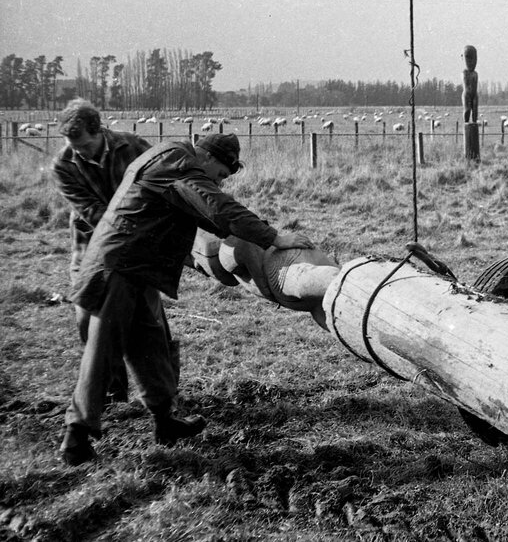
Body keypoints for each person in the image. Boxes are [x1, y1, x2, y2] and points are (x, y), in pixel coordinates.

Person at [59, 132, 314, 466]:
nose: (219, 182)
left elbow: (205, 214)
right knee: (104, 347)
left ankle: (165, 421)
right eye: (220, 175)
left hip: (138, 266)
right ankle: (76, 434)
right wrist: (273, 237)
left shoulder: (172, 159)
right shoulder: (178, 163)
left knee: (151, 343)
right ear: (207, 157)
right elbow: (215, 206)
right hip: (118, 265)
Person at [52, 98, 159, 402]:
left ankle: (161, 395)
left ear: (98, 131)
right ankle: (113, 392)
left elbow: (162, 182)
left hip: (138, 249)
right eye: (72, 146)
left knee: (147, 317)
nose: (78, 152)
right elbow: (90, 211)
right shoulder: (63, 164)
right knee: (87, 315)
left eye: (84, 145)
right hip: (89, 247)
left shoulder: (133, 147)